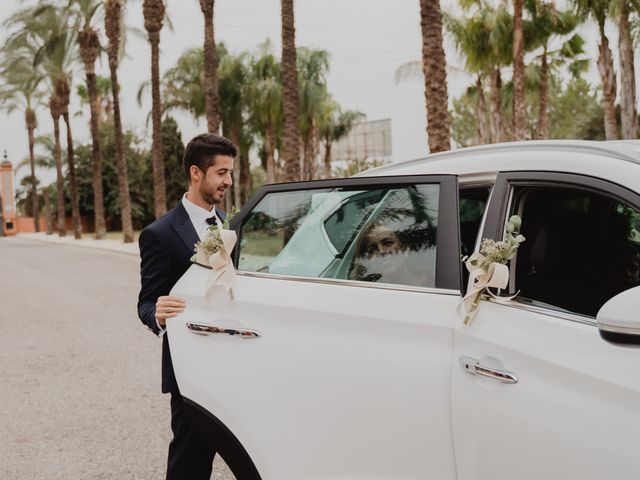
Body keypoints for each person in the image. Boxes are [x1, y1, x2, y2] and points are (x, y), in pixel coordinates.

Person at [137, 133, 237, 480]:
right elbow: (146, 302)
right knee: (190, 460)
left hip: (237, 357)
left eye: (230, 172)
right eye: (221, 172)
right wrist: (158, 314)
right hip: (189, 365)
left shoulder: (232, 225)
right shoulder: (159, 234)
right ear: (196, 173)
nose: (229, 180)